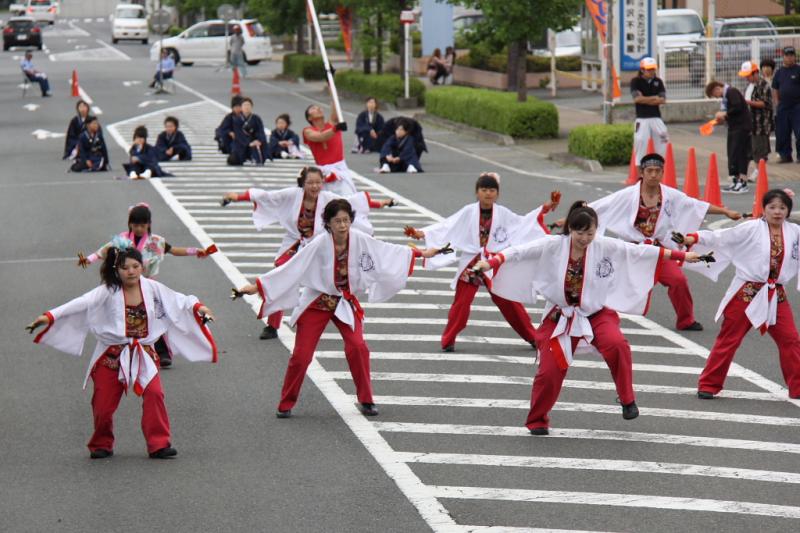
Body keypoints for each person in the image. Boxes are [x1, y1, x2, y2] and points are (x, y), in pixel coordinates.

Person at [474, 201, 703, 435]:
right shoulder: (553, 245)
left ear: (596, 230)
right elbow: (518, 252)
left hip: (596, 313)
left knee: (617, 344)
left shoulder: (603, 245)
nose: (585, 238)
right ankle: (537, 420)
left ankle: (627, 399)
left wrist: (682, 256)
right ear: (570, 230)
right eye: (580, 233)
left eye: (590, 233)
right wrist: (490, 262)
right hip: (560, 316)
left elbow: (640, 251)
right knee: (549, 371)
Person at [235, 198, 447, 418]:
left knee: (358, 347)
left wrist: (423, 253)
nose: (343, 225)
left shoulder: (361, 240)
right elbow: (292, 268)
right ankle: (286, 403)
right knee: (301, 356)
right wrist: (256, 286)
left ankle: (366, 399)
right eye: (337, 221)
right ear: (328, 223)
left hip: (344, 301)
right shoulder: (319, 243)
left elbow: (388, 251)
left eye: (346, 220)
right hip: (316, 302)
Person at [27, 245, 217, 459]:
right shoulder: (107, 291)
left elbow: (179, 300)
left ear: (142, 267)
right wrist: (50, 316)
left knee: (155, 394)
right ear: (117, 270)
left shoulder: (153, 288)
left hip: (143, 353)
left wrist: (199, 307)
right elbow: (81, 303)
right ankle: (101, 443)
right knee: (103, 407)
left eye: (136, 266)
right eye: (125, 268)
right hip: (111, 355)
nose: (131, 271)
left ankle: (159, 444)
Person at [220, 166, 393, 339]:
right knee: (281, 274)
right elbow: (267, 197)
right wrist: (238, 197)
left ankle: (334, 316)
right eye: (310, 182)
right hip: (294, 243)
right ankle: (273, 326)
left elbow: (351, 203)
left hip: (318, 247)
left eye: (318, 182)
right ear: (303, 183)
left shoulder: (328, 199)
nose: (315, 186)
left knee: (326, 282)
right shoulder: (292, 195)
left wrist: (380, 203)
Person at [404, 173, 560, 352]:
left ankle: (532, 337)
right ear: (477, 192)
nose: (488, 194)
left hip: (493, 263)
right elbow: (447, 226)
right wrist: (420, 233)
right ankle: (448, 340)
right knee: (461, 304)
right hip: (472, 263)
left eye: (492, 190)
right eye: (484, 190)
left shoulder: (503, 213)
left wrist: (547, 207)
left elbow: (524, 223)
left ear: (497, 193)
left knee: (509, 302)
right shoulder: (468, 211)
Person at [586, 153, 741, 331]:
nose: (653, 175)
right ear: (641, 172)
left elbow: (695, 205)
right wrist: (570, 220)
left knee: (678, 280)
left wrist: (725, 212)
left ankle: (686, 320)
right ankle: (593, 315)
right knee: (610, 280)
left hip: (658, 250)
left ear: (662, 173)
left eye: (657, 171)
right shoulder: (628, 195)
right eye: (649, 170)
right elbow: (599, 207)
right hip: (631, 250)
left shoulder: (670, 195)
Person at [678, 189, 800, 400]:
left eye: (782, 208)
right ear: (763, 209)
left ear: (788, 210)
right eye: (772, 207)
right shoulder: (751, 228)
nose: (777, 212)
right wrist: (694, 237)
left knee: (790, 340)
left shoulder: (795, 232)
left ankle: (798, 387)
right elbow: (721, 237)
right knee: (729, 338)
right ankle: (709, 384)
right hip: (747, 292)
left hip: (775, 294)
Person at [77, 204, 213, 366]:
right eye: (135, 225)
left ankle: (162, 352)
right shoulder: (122, 240)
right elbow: (104, 251)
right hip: (126, 285)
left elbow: (174, 250)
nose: (139, 229)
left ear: (148, 224)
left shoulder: (156, 241)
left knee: (156, 316)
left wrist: (196, 251)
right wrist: (89, 259)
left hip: (148, 286)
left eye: (142, 225)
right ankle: (120, 347)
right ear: (130, 224)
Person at [706, 81, 753, 194]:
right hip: (734, 127)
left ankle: (742, 181)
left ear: (717, 88)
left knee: (740, 153)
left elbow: (737, 108)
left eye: (714, 94)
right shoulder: (727, 96)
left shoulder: (732, 92)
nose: (717, 97)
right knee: (733, 153)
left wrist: (725, 114)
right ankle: (736, 180)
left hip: (741, 127)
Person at [302, 103, 357, 195]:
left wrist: (332, 89)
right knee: (324, 205)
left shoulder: (332, 124)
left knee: (348, 200)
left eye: (318, 107)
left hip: (340, 170)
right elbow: (321, 137)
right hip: (322, 173)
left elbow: (336, 105)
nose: (318, 108)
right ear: (309, 118)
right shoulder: (307, 131)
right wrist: (336, 129)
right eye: (313, 108)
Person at [739, 61, 773, 183]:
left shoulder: (763, 85)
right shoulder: (749, 86)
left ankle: (759, 174)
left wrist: (747, 102)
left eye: (748, 75)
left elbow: (765, 103)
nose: (747, 78)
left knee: (760, 151)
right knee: (750, 150)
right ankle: (749, 174)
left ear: (755, 73)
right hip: (749, 124)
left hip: (761, 124)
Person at [630, 57, 668, 163]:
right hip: (642, 118)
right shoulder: (635, 81)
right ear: (642, 70)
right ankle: (640, 173)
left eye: (653, 69)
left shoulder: (658, 81)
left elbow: (662, 100)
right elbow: (637, 99)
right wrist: (654, 98)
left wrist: (645, 99)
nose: (652, 71)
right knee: (640, 143)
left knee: (663, 139)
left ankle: (661, 166)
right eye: (649, 69)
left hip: (656, 117)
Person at [772, 46, 800, 164]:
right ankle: (785, 155)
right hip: (783, 107)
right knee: (782, 132)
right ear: (783, 57)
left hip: (797, 106)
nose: (789, 57)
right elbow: (775, 89)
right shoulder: (779, 72)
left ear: (795, 56)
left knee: (799, 131)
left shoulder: (798, 70)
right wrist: (777, 103)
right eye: (787, 55)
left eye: (791, 55)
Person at [227, 97, 269, 166]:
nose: (247, 107)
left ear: (251, 107)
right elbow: (238, 134)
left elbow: (261, 131)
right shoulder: (237, 119)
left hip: (254, 142)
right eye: (244, 105)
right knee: (233, 159)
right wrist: (248, 143)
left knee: (258, 153)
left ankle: (254, 158)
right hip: (241, 144)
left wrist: (258, 140)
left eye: (248, 105)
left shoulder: (256, 118)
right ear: (241, 107)